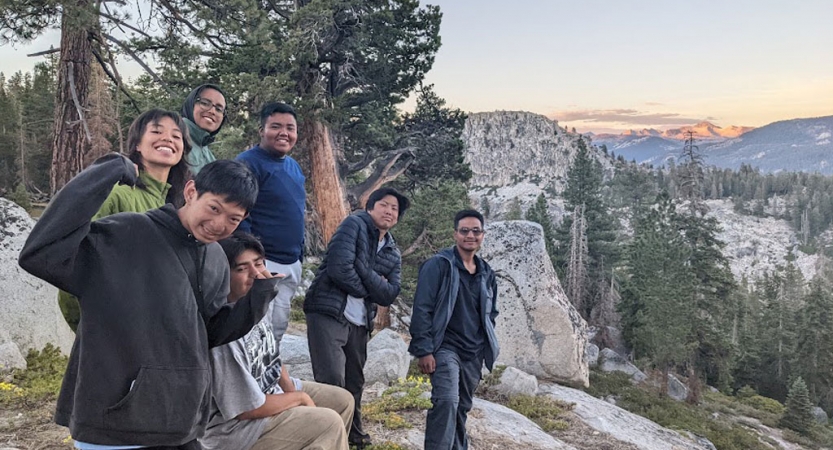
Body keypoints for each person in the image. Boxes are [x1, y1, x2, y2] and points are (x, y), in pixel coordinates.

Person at [19, 156, 267, 449]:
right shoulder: (127, 233)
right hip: (116, 422)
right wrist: (106, 172)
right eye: (214, 208)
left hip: (177, 423)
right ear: (190, 192)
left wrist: (259, 295)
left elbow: (208, 334)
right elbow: (41, 254)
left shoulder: (214, 258)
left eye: (233, 219)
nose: (218, 224)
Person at [200, 232, 353, 450]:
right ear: (223, 275)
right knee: (327, 422)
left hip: (267, 394)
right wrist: (298, 399)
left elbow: (272, 358)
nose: (255, 274)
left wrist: (291, 391)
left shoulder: (255, 306)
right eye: (242, 269)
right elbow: (245, 409)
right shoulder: (223, 331)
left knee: (342, 401)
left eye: (259, 264)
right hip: (234, 431)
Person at [57, 108, 193, 332]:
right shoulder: (116, 192)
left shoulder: (177, 207)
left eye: (176, 136)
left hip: (151, 327)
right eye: (157, 131)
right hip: (109, 326)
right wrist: (85, 322)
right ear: (137, 145)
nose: (168, 138)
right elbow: (75, 255)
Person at [303, 187, 409, 448]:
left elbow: (389, 294)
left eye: (394, 209)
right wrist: (370, 286)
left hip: (360, 321)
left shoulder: (392, 251)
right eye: (384, 205)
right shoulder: (354, 224)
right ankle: (326, 437)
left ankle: (353, 434)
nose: (389, 211)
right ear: (370, 207)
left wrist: (362, 270)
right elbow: (339, 269)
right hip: (329, 311)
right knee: (331, 380)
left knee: (354, 381)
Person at [408, 209, 500, 450]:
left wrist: (485, 344)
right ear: (455, 234)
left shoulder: (486, 272)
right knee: (447, 401)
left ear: (482, 235)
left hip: (473, 352)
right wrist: (424, 350)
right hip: (444, 348)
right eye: (464, 231)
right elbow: (422, 309)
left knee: (461, 408)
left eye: (476, 231)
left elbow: (491, 312)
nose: (470, 235)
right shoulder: (439, 265)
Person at [235, 102, 304, 349]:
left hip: (291, 263)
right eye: (276, 126)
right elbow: (240, 213)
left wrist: (301, 256)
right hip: (263, 262)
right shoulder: (248, 163)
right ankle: (248, 384)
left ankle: (268, 379)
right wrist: (254, 260)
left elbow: (295, 212)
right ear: (262, 130)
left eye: (290, 128)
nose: (284, 133)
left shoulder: (293, 166)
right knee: (255, 329)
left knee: (277, 329)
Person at [182, 84, 227, 174]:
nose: (212, 111)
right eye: (205, 103)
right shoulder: (175, 141)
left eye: (218, 109)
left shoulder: (208, 154)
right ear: (191, 104)